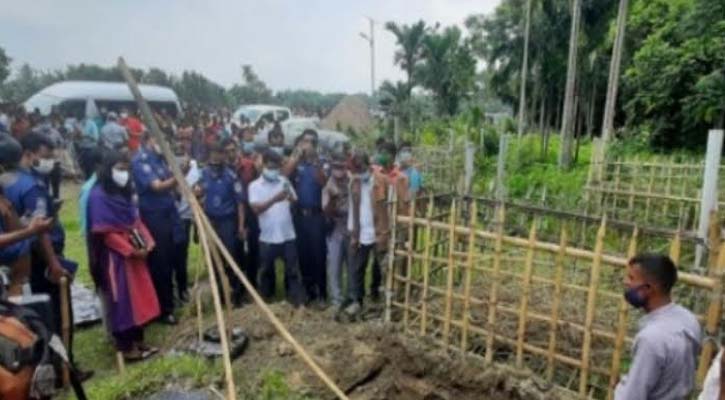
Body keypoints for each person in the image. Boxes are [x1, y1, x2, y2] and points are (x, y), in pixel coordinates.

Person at [0, 132, 91, 379]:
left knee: (29, 319)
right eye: (45, 155)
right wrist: (53, 263)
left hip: (20, 264)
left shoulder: (6, 184)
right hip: (35, 260)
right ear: (26, 154)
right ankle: (62, 367)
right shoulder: (31, 185)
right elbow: (39, 233)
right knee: (52, 317)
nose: (49, 160)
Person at [87, 151, 160, 361]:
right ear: (108, 169)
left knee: (140, 294)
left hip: (135, 251)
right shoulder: (98, 196)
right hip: (116, 258)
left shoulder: (124, 192)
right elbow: (106, 233)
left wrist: (147, 243)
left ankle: (139, 340)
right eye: (120, 169)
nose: (124, 174)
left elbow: (135, 221)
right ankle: (126, 346)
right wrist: (131, 251)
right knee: (123, 299)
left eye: (127, 169)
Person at [614, 254, 701, 400]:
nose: (626, 282)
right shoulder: (688, 319)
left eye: (631, 278)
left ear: (648, 288)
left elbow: (632, 396)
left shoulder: (651, 339)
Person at [131, 133, 180, 325]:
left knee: (169, 259)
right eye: (160, 139)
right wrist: (178, 176)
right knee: (159, 263)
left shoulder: (160, 160)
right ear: (147, 140)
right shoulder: (141, 161)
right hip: (154, 217)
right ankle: (163, 309)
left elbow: (171, 186)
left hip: (169, 214)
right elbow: (157, 186)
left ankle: (168, 301)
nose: (164, 144)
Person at [248, 150, 306, 306]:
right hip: (267, 237)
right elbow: (256, 209)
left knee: (292, 271)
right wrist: (275, 199)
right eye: (270, 166)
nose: (273, 171)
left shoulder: (284, 181)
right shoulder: (255, 186)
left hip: (288, 235)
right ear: (264, 165)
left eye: (276, 167)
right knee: (266, 271)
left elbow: (294, 201)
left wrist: (291, 199)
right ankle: (265, 302)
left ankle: (296, 302)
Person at [194, 143, 246, 306]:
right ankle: (220, 296)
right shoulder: (204, 174)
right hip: (211, 222)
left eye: (219, 153)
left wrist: (240, 226)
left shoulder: (231, 176)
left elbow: (240, 204)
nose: (216, 156)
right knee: (213, 259)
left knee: (230, 258)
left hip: (227, 222)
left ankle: (236, 295)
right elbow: (197, 195)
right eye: (213, 153)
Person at [284, 129, 327, 303]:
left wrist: (315, 162)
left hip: (316, 216)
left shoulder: (322, 163)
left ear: (316, 145)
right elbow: (284, 176)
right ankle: (309, 292)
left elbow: (324, 183)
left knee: (318, 255)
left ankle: (322, 293)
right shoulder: (296, 163)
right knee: (303, 255)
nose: (307, 145)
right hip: (299, 216)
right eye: (305, 141)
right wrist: (296, 157)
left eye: (311, 142)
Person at [322, 152, 350, 312]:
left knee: (351, 265)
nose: (339, 170)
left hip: (351, 227)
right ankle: (336, 300)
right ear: (332, 168)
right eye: (336, 167)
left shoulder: (352, 181)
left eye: (342, 167)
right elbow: (326, 211)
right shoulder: (328, 186)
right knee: (334, 265)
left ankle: (350, 298)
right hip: (335, 229)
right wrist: (333, 199)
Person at [237, 127, 260, 290]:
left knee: (253, 250)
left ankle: (252, 283)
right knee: (238, 251)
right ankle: (240, 285)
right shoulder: (235, 166)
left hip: (252, 212)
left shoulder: (253, 165)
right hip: (238, 212)